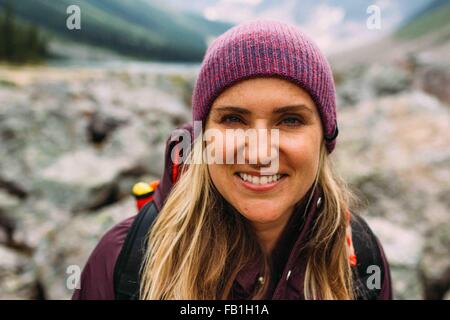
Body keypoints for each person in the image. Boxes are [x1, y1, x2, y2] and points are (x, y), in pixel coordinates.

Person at [72, 20, 392, 300]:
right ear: (203, 135)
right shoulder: (125, 257)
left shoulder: (360, 257)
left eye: (290, 120)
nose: (259, 154)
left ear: (325, 136)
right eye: (234, 120)